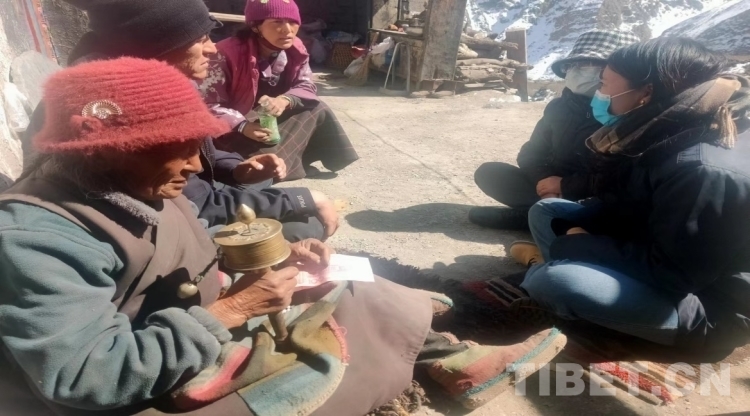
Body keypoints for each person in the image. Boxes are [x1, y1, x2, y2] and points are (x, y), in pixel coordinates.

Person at [0, 58, 567, 416]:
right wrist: (233, 310)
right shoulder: (36, 239)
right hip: (135, 389)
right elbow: (84, 376)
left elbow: (180, 250)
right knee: (320, 358)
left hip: (183, 326)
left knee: (341, 283)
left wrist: (268, 257)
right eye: (181, 149)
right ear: (112, 152)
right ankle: (433, 363)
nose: (197, 166)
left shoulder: (139, 186)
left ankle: (456, 362)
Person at [22, 0, 337, 242]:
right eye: (201, 39)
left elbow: (202, 156)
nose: (212, 49)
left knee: (266, 177)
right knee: (307, 223)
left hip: (189, 198)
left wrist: (236, 168)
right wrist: (299, 198)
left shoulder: (154, 84)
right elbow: (199, 202)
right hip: (155, 230)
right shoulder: (124, 110)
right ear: (158, 47)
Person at [509, 38, 750, 350]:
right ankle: (570, 281)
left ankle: (554, 280)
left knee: (552, 281)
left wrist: (582, 244)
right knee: (548, 212)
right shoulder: (669, 126)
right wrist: (586, 235)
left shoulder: (702, 170)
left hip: (707, 305)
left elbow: (677, 273)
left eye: (605, 84)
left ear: (645, 92)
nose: (599, 94)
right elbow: (635, 201)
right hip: (659, 243)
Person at [470, 30, 640, 231]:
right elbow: (532, 153)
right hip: (551, 187)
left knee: (617, 205)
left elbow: (623, 177)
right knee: (490, 173)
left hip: (595, 194)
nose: (577, 70)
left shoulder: (626, 114)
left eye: (588, 63)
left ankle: (538, 218)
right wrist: (545, 183)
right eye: (573, 64)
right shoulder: (558, 107)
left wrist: (565, 185)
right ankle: (549, 217)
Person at [198, 0, 360, 181]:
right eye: (277, 22)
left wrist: (285, 100)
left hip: (267, 118)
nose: (287, 30)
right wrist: (242, 126)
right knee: (257, 165)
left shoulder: (296, 48)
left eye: (292, 22)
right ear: (256, 26)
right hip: (232, 128)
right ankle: (281, 166)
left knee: (316, 107)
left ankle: (297, 161)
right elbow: (205, 104)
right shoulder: (224, 53)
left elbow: (306, 84)